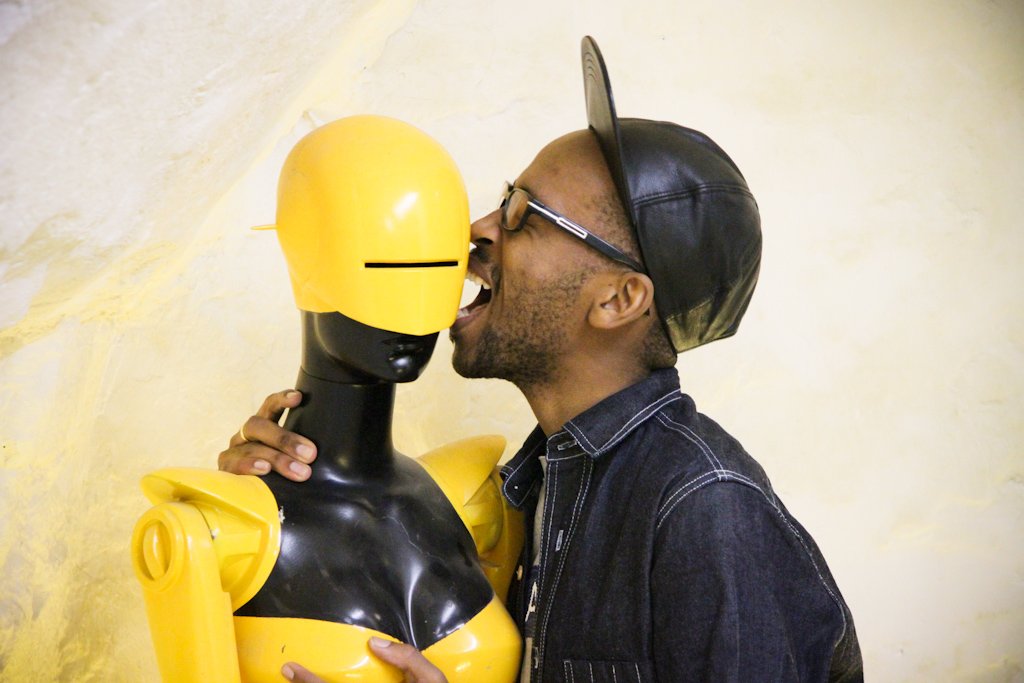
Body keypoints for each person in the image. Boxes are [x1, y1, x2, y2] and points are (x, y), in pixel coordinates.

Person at [222, 38, 864, 682]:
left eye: (522, 215)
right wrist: (277, 495)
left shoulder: (706, 511)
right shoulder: (529, 493)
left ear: (617, 299)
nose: (477, 229)